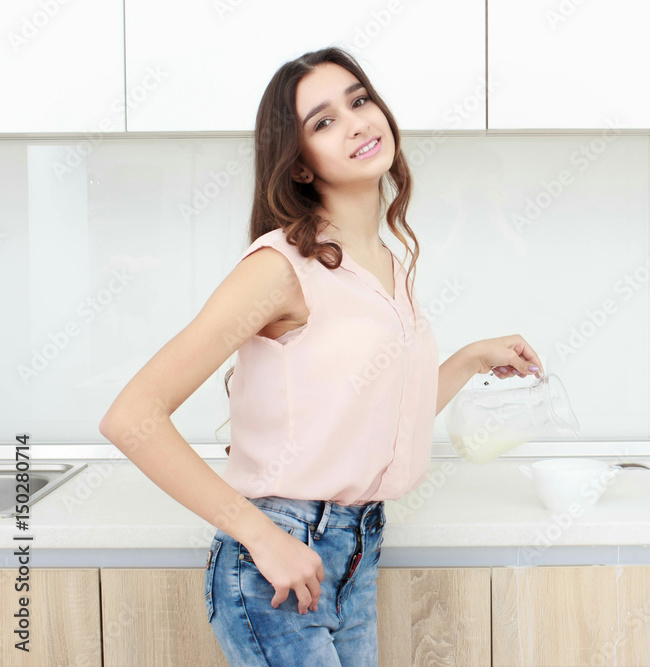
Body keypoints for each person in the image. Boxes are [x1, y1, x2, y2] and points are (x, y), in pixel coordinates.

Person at [98, 45, 545, 666]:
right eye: (324, 121)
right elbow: (131, 415)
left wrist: (469, 360)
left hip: (355, 550)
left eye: (359, 100)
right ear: (300, 164)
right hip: (278, 560)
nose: (359, 121)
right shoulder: (280, 267)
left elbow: (380, 412)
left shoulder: (389, 264)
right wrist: (259, 536)